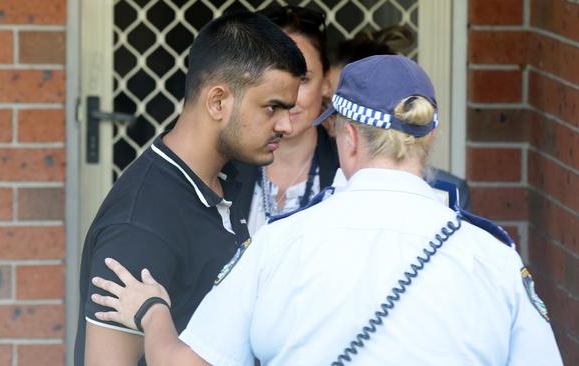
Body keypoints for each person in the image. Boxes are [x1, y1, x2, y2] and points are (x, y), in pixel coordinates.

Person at [88, 55, 563, 365]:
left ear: (349, 137)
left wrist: (151, 310)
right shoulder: (493, 257)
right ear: (427, 139)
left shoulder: (281, 242)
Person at [74, 11, 306, 366]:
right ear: (217, 102)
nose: (287, 125)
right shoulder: (140, 226)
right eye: (272, 107)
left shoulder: (229, 177)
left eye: (288, 109)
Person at [328, 28, 472, 210]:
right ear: (432, 134)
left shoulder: (302, 227)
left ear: (351, 136)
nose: (331, 129)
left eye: (335, 115)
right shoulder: (482, 237)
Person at [231, 5, 338, 234]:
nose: (288, 98)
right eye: (274, 78)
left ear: (326, 82)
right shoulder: (223, 170)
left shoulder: (347, 173)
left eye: (303, 79)